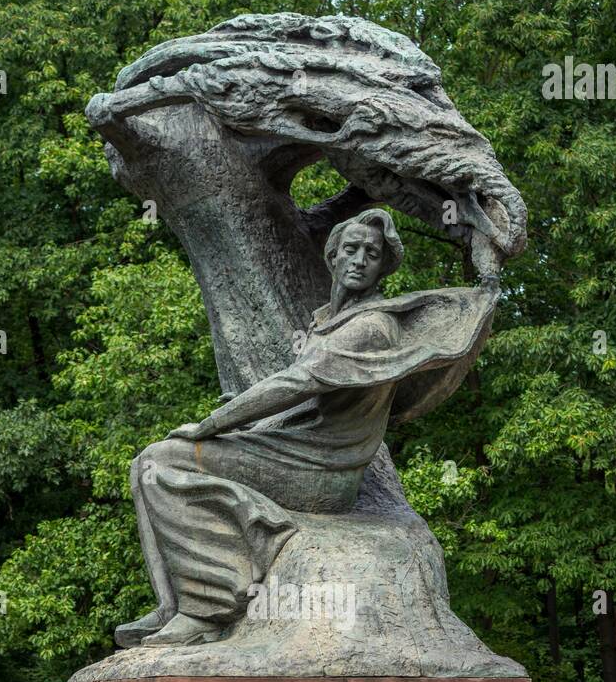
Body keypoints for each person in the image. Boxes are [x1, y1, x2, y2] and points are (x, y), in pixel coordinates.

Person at [119, 208, 496, 647]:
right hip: (296, 450)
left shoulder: (372, 328)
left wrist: (210, 425)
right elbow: (308, 403)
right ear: (332, 257)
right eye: (351, 249)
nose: (359, 260)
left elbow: (296, 384)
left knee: (162, 462)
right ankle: (174, 604)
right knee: (145, 464)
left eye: (371, 254)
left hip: (322, 472)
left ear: (382, 266)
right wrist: (250, 423)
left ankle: (208, 607)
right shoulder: (325, 323)